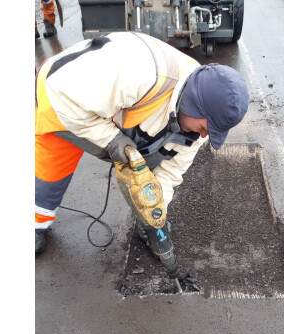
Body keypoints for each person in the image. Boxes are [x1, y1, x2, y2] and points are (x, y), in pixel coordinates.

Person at [35, 32, 249, 255]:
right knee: (50, 170)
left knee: (148, 157)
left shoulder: (196, 120)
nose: (204, 136)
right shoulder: (137, 74)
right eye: (205, 127)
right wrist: (111, 140)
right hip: (63, 95)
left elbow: (170, 172)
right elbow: (59, 92)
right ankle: (35, 221)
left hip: (116, 108)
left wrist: (154, 214)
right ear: (196, 105)